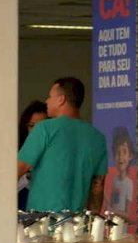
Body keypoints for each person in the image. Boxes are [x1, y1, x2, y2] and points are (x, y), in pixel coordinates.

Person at [18, 77, 106, 213]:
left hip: (41, 224)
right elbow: (97, 188)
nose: (47, 101)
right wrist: (91, 223)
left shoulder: (44, 129)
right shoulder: (98, 138)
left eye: (50, 96)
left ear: (61, 99)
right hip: (78, 225)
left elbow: (19, 169)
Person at [17, 100, 48, 210]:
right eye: (32, 126)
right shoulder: (16, 152)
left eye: (41, 127)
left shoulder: (55, 156)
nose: (36, 131)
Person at [103, 126, 138, 224]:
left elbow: (126, 214)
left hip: (122, 227)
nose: (121, 157)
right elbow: (113, 204)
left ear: (130, 156)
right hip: (112, 224)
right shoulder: (115, 179)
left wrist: (112, 210)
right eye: (117, 153)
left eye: (124, 152)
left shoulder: (129, 184)